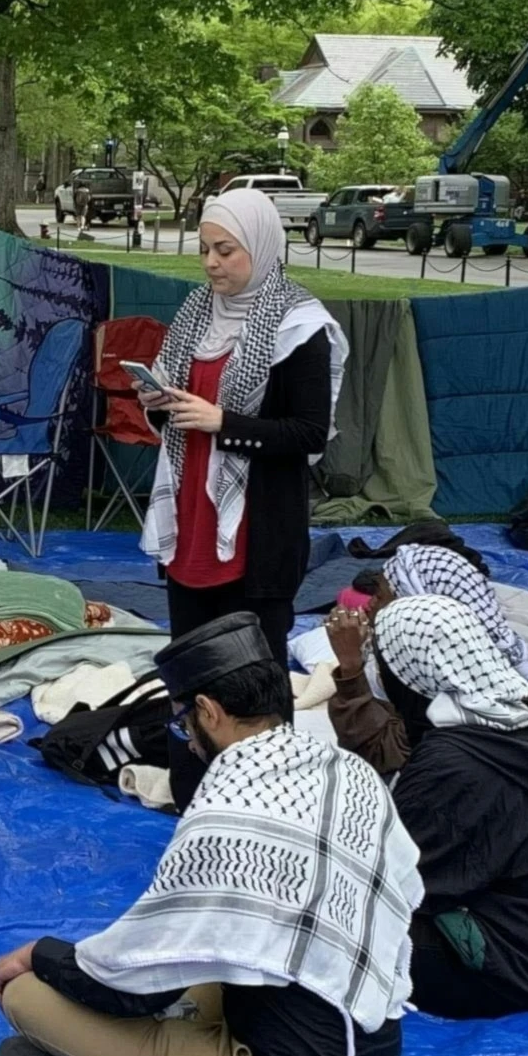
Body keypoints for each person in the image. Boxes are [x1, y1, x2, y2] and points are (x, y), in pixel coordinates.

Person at [0, 614, 421, 1056]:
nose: (188, 740)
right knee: (196, 981)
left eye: (182, 723)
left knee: (26, 998)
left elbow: (131, 991)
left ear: (208, 710)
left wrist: (36, 955)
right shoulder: (347, 769)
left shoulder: (227, 808)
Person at [140, 187, 344, 806]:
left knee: (256, 677)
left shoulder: (300, 325)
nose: (210, 263)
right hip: (193, 521)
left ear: (259, 245)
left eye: (225, 250)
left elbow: (309, 434)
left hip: (257, 531)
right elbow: (184, 413)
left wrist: (223, 422)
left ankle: (265, 804)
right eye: (203, 249)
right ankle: (193, 795)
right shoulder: (196, 315)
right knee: (189, 669)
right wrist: (161, 405)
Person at [371, 594, 528, 1020]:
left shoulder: (453, 763)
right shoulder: (520, 717)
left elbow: (401, 882)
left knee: (333, 927)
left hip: (505, 969)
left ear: (412, 671)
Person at [324, 544, 528, 845]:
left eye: (381, 595)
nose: (370, 605)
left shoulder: (476, 718)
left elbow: (380, 752)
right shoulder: (451, 670)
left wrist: (351, 670)